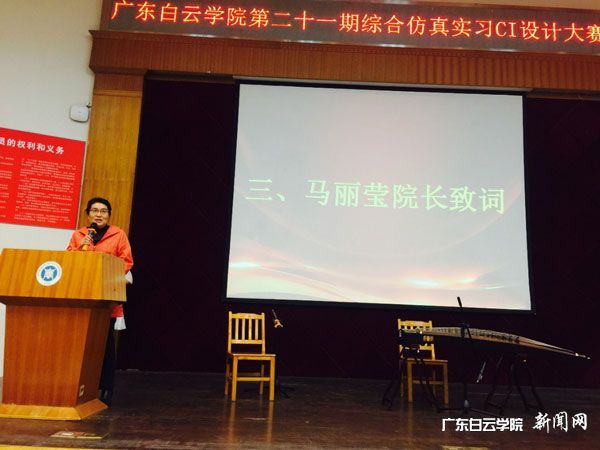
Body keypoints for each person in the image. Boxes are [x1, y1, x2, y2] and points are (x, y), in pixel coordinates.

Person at [67, 197, 133, 405]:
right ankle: (80, 388)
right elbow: (69, 260)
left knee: (105, 344)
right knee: (81, 344)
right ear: (88, 214)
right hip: (83, 296)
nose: (99, 214)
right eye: (95, 210)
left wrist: (104, 273)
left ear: (109, 215)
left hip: (106, 297)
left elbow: (126, 261)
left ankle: (105, 388)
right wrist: (82, 247)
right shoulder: (79, 235)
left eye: (103, 211)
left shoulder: (118, 235)